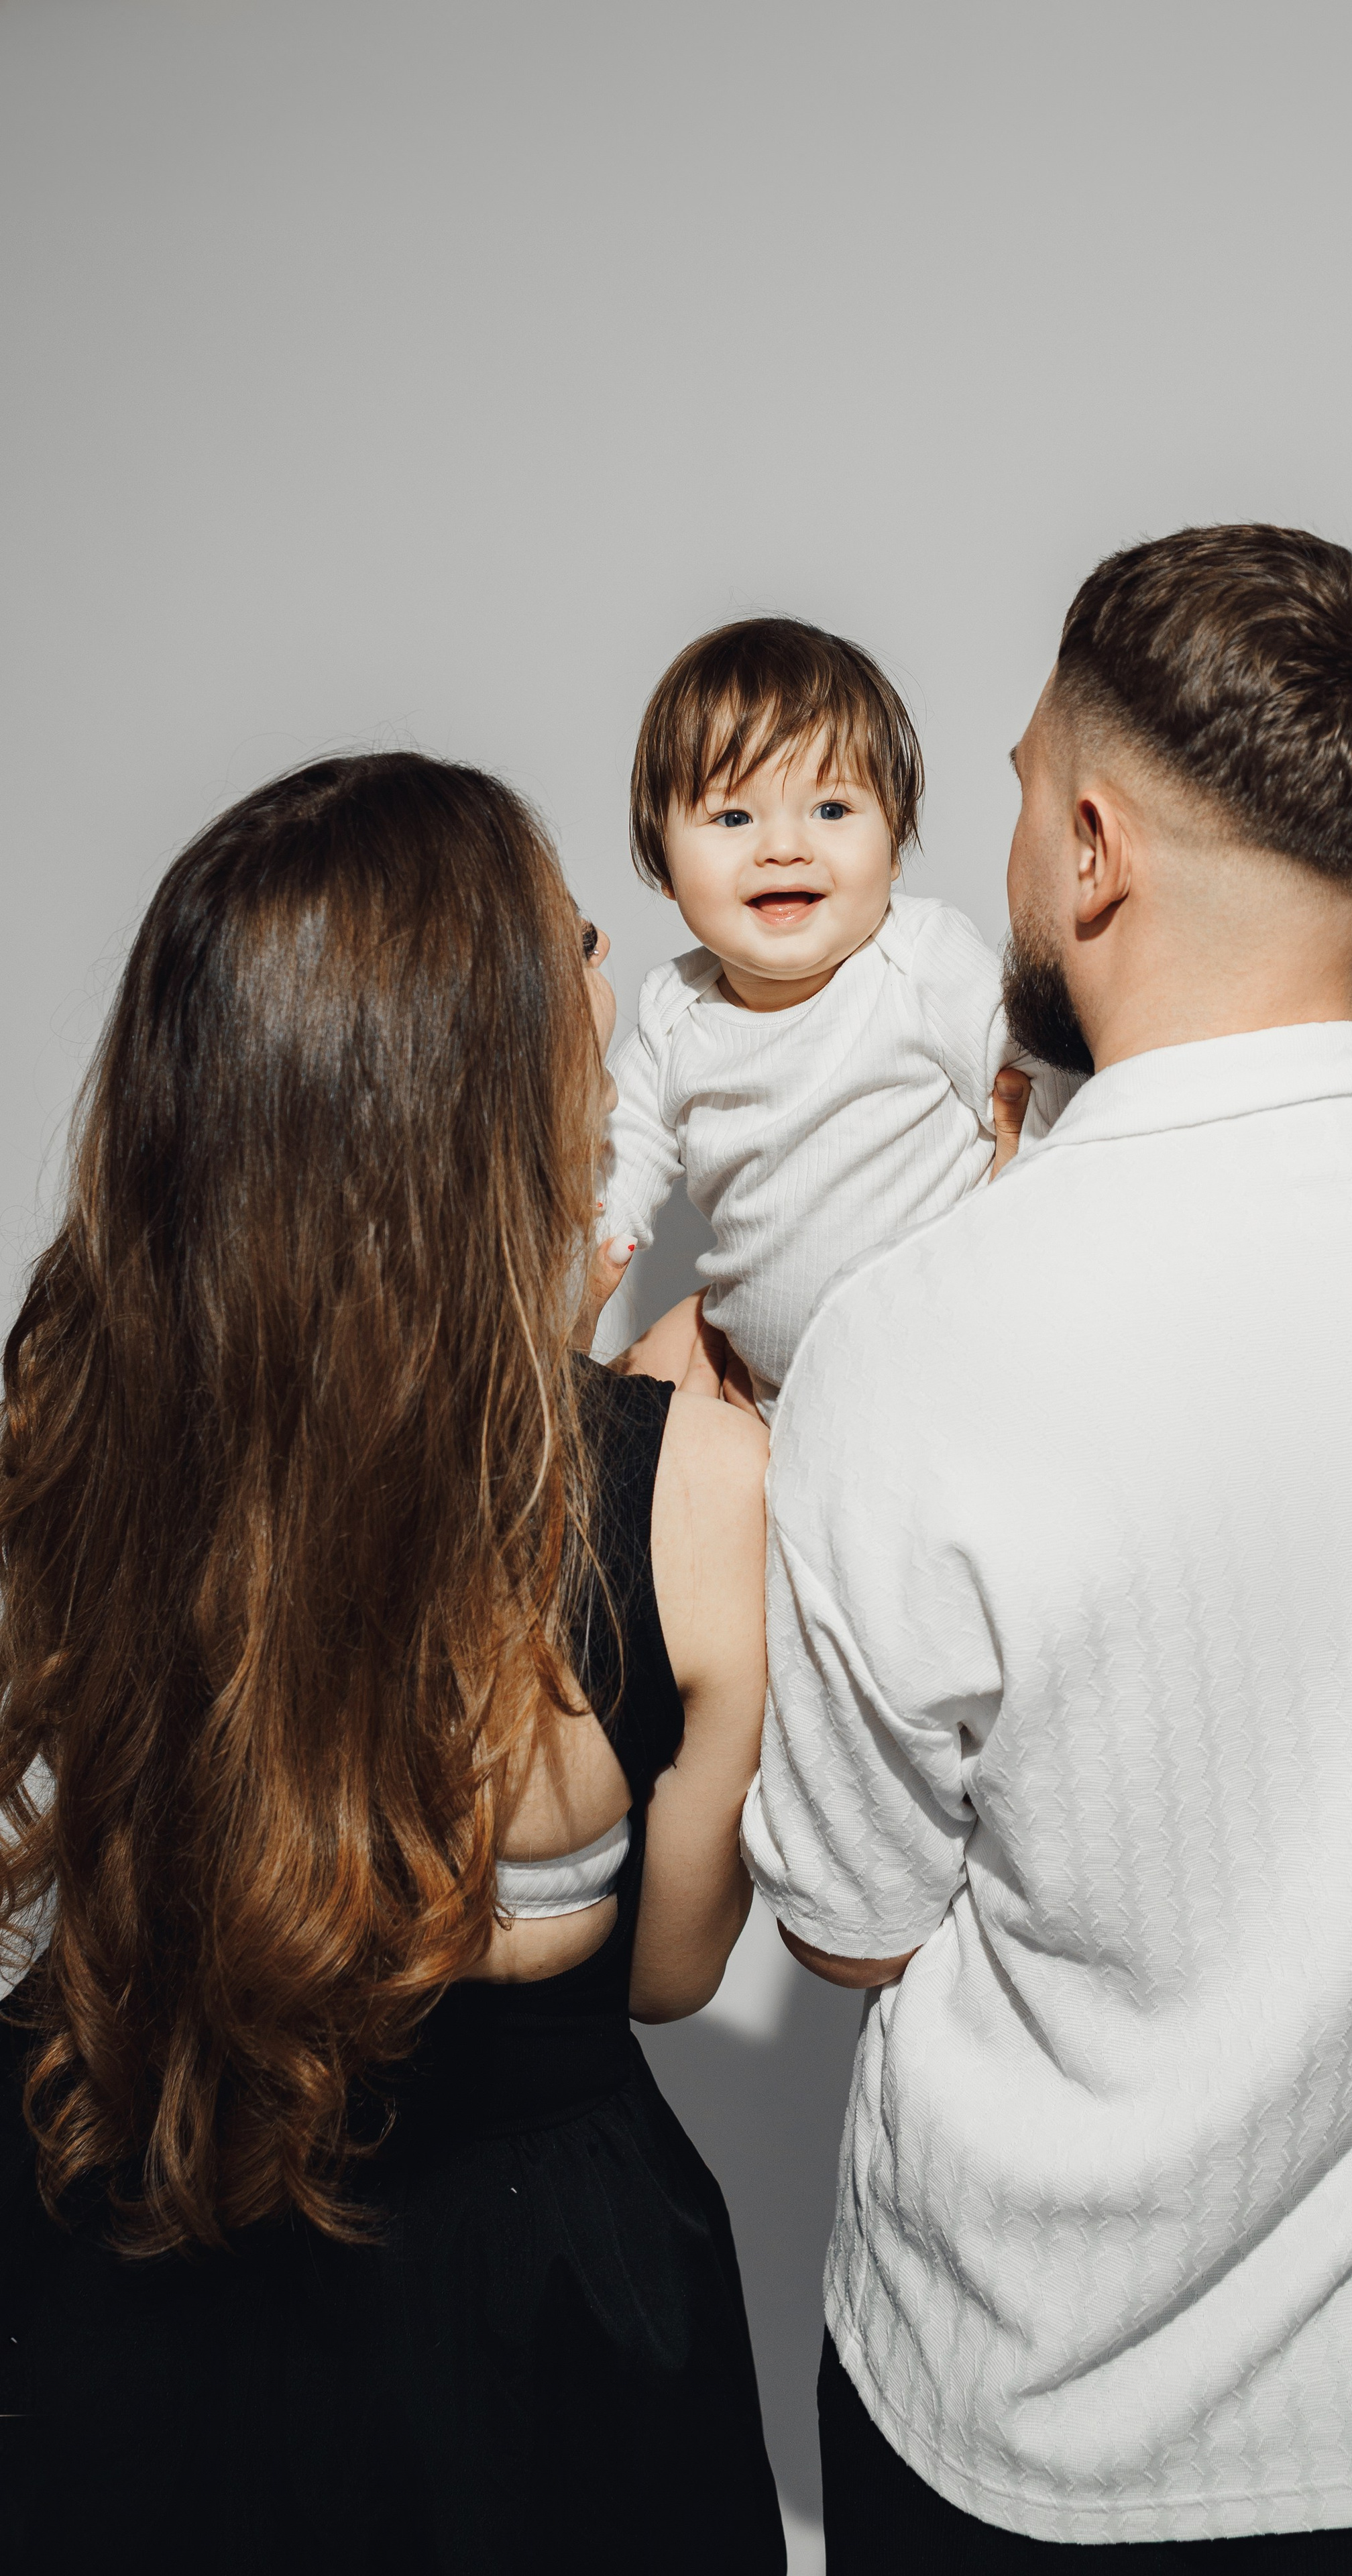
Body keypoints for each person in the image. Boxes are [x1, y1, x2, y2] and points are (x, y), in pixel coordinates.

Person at [742, 525, 1352, 2569]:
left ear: (1090, 847)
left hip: (1018, 2433)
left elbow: (844, 1920)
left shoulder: (907, 1340)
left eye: (1011, 792)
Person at [0, 753, 786, 2573]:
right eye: (584, 939)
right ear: (491, 1062)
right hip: (528, 2333)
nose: (621, 977)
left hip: (115, 2244)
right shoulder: (691, 1483)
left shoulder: (59, 1416)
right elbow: (669, 1972)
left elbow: (326, 1484)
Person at [594, 616, 1070, 1409]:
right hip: (778, 1402)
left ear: (895, 839)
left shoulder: (917, 959)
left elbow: (1046, 1074)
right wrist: (597, 1252)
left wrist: (1022, 1207)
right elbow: (617, 1154)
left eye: (831, 811)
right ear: (662, 863)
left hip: (958, 1376)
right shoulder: (672, 1012)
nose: (784, 848)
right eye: (734, 818)